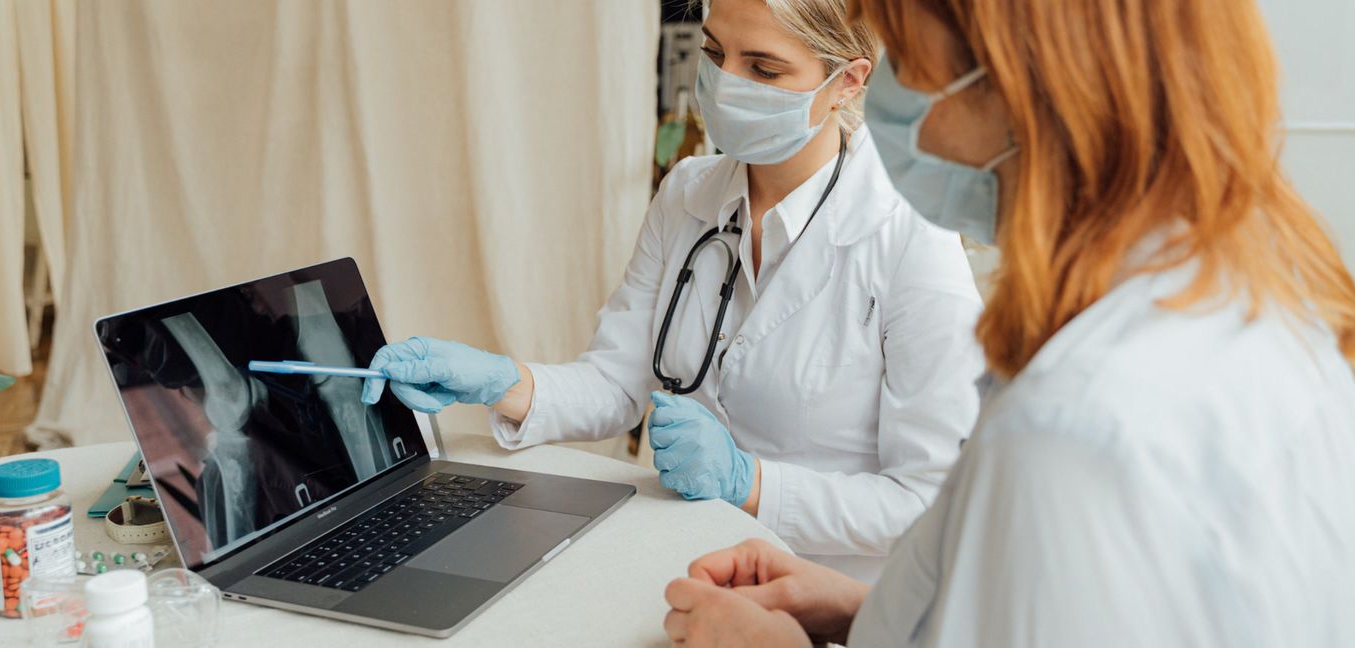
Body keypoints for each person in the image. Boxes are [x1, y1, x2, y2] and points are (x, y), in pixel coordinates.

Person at [661, 0, 1355, 644]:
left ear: (1030, 92)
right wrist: (858, 612)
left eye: (911, 63)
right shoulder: (1250, 302)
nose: (888, 99)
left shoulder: (1076, 429)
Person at [361, 0, 985, 582]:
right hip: (684, 565)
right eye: (715, 55)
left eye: (763, 68)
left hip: (832, 597)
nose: (730, 83)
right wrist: (502, 380)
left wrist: (751, 484)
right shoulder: (688, 192)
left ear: (847, 82)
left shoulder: (910, 235)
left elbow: (929, 500)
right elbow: (617, 384)